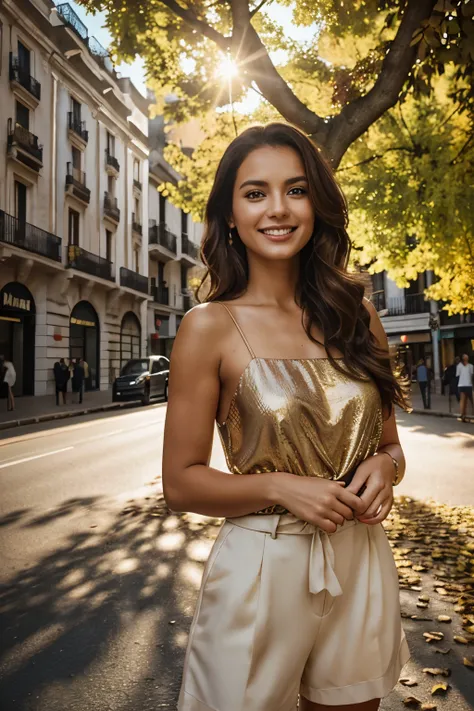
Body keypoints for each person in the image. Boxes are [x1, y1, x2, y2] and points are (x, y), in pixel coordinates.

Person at [162, 123, 412, 711]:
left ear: (316, 204)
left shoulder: (358, 316)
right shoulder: (208, 327)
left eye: (295, 190)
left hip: (361, 554)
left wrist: (386, 466)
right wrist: (279, 487)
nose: (278, 209)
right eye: (255, 193)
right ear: (229, 213)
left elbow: (392, 446)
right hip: (260, 565)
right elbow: (180, 482)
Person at [456, 353, 474, 422]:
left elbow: (458, 375)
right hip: (465, 385)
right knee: (465, 401)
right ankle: (463, 415)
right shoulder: (470, 366)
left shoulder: (460, 366)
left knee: (463, 401)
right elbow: (471, 376)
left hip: (464, 385)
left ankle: (463, 415)